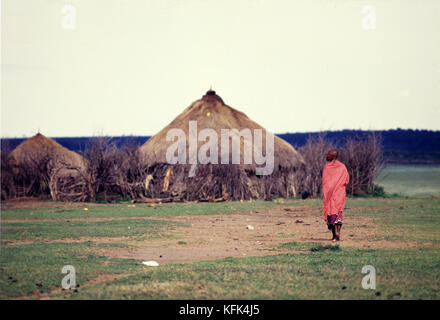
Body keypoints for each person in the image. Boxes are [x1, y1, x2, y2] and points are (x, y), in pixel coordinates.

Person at [322, 150, 349, 241]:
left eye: (328, 154)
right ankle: (335, 235)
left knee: (334, 212)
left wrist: (335, 186)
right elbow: (346, 180)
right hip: (333, 194)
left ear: (333, 156)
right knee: (335, 212)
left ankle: (336, 235)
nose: (326, 156)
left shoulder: (340, 167)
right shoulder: (338, 167)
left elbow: (345, 179)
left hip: (336, 193)